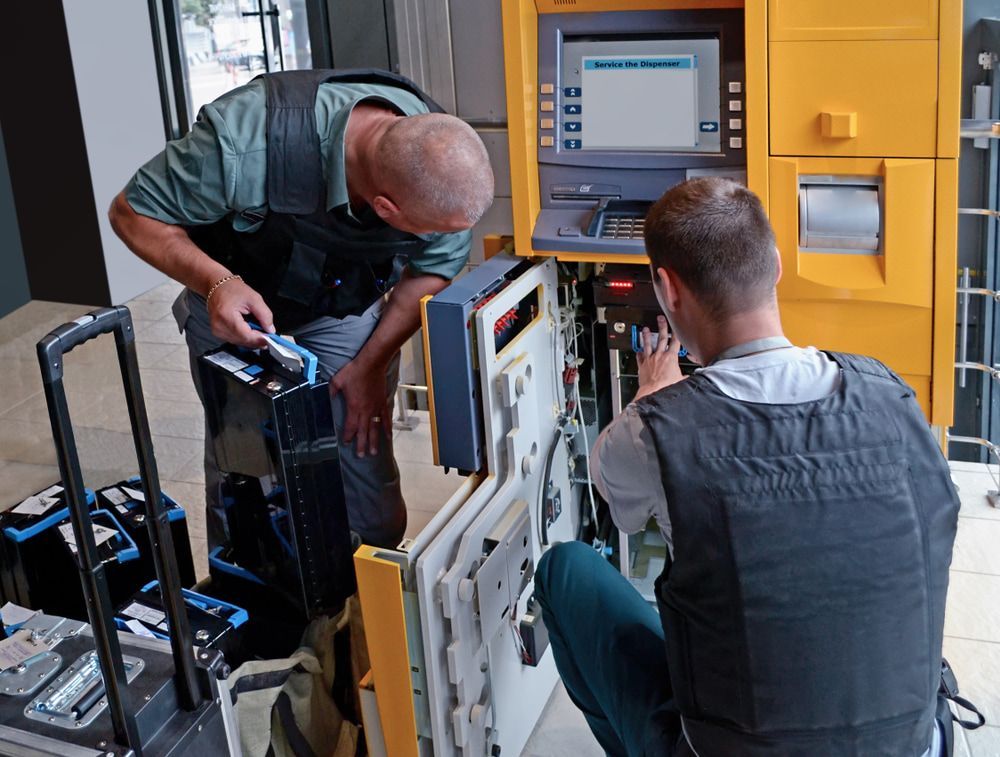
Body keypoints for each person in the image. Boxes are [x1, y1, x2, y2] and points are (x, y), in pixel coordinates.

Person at [534, 178, 959, 756]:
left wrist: (651, 394)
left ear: (665, 289)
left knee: (566, 570)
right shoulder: (891, 394)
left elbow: (622, 510)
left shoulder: (656, 429)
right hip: (915, 742)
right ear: (777, 266)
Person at [110, 70, 494, 549]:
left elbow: (431, 271)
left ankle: (361, 590)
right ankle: (249, 581)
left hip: (340, 302)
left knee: (363, 457)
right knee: (242, 463)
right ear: (385, 209)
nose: (446, 237)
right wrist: (216, 284)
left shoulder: (437, 162)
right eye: (431, 230)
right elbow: (131, 212)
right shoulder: (242, 144)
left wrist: (370, 367)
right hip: (238, 299)